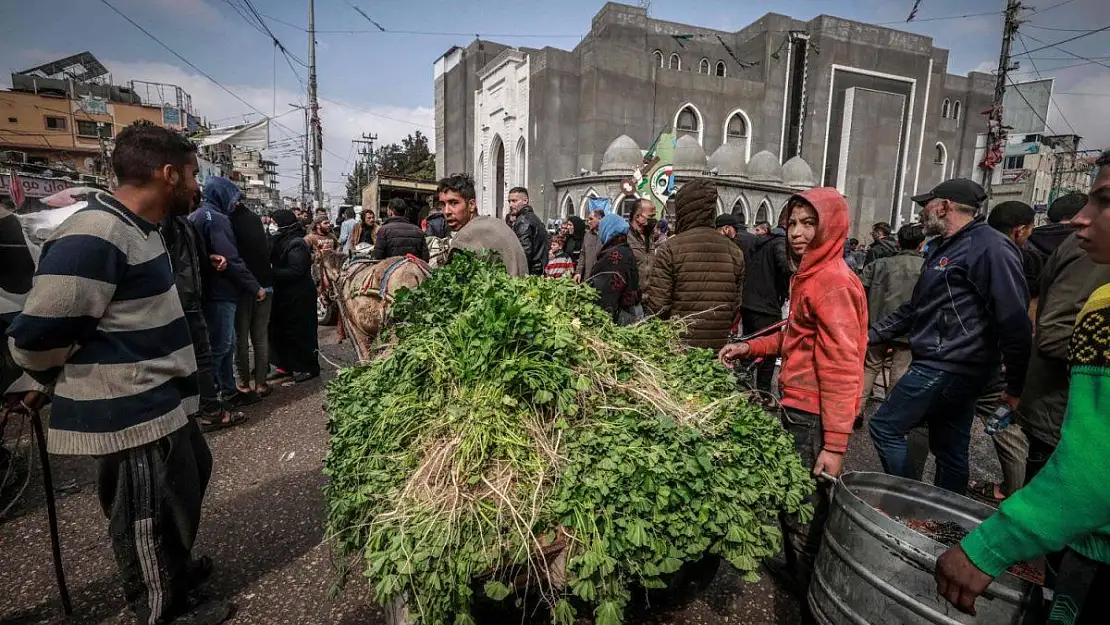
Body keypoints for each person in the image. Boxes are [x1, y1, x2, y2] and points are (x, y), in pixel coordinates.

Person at [6, 122, 232, 625]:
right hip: (130, 410)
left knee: (183, 486)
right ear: (168, 174)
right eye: (193, 175)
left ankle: (174, 571)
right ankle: (160, 609)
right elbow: (37, 334)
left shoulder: (138, 229)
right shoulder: (94, 234)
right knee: (145, 517)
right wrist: (40, 380)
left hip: (159, 399)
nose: (197, 187)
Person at [934, 152, 1110, 623]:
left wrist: (989, 547)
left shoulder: (1104, 310)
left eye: (1104, 200)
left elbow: (1093, 470)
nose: (1080, 218)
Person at [718, 187, 867, 614]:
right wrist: (751, 348)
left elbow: (843, 367)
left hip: (812, 414)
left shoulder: (832, 283)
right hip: (799, 406)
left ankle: (812, 597)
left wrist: (836, 445)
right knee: (794, 499)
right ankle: (800, 575)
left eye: (809, 223)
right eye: (794, 223)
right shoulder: (813, 275)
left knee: (804, 508)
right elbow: (795, 335)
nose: (797, 233)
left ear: (831, 226)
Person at [868, 178, 1032, 495]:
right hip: (950, 363)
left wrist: (1016, 385)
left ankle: (909, 503)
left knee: (885, 426)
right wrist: (871, 335)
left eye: (926, 205)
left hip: (950, 364)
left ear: (944, 207)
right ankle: (945, 522)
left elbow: (1014, 320)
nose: (920, 213)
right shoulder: (944, 247)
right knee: (950, 448)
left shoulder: (990, 247)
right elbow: (918, 308)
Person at [160, 211, 245, 432]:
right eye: (191, 175)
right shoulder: (162, 220)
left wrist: (208, 259)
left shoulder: (181, 221)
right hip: (179, 302)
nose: (194, 186)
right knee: (205, 356)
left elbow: (186, 259)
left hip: (190, 299)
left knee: (207, 355)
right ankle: (206, 410)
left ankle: (209, 406)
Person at [189, 177, 264, 406]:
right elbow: (230, 258)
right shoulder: (215, 218)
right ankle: (211, 400)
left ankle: (227, 391)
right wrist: (255, 286)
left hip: (213, 292)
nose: (235, 204)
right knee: (220, 347)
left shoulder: (200, 215)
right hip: (220, 293)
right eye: (232, 198)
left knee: (226, 344)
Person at [645, 179, 745, 350]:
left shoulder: (670, 249)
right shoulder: (734, 251)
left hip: (679, 347)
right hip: (717, 346)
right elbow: (736, 306)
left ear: (682, 209)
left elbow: (658, 306)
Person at [856, 223, 926, 446]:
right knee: (900, 372)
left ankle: (856, 411)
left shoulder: (879, 265)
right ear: (921, 244)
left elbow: (859, 289)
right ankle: (890, 416)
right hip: (908, 331)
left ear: (898, 242)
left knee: (869, 367)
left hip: (877, 327)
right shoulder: (927, 268)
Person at [739, 211, 794, 392]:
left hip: (749, 301)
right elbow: (786, 268)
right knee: (768, 353)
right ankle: (763, 392)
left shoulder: (759, 242)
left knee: (749, 346)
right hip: (767, 305)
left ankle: (744, 388)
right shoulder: (779, 243)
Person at [268, 209, 320, 383]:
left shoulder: (297, 243)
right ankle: (285, 366)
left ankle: (309, 367)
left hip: (299, 295)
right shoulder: (279, 241)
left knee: (302, 332)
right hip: (283, 294)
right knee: (282, 331)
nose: (272, 226)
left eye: (275, 223)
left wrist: (271, 272)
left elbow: (296, 271)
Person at [440, 173, 528, 276]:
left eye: (453, 203)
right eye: (442, 204)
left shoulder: (466, 236)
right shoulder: (495, 223)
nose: (446, 211)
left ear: (471, 205)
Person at [229, 198, 273, 401]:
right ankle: (262, 384)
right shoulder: (256, 220)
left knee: (241, 338)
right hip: (266, 284)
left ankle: (244, 385)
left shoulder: (228, 221)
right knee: (260, 337)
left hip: (244, 288)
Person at [588, 213, 642, 323]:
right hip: (631, 312)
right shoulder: (625, 249)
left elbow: (605, 294)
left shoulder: (614, 256)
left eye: (601, 229)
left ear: (608, 229)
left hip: (619, 317)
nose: (599, 233)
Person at [507, 186, 549, 275]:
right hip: (538, 271)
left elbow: (523, 253)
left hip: (530, 274)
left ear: (525, 201)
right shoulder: (534, 218)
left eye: (514, 201)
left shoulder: (523, 220)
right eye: (509, 201)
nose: (511, 205)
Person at [628, 198, 659, 284]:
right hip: (632, 294)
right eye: (650, 216)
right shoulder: (624, 237)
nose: (654, 220)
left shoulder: (650, 236)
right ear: (637, 217)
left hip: (650, 294)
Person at [575, 208, 605, 282]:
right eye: (588, 220)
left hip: (602, 279)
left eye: (591, 219)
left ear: (600, 219)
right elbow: (583, 254)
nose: (588, 222)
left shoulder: (607, 235)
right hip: (587, 278)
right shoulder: (587, 235)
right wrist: (578, 272)